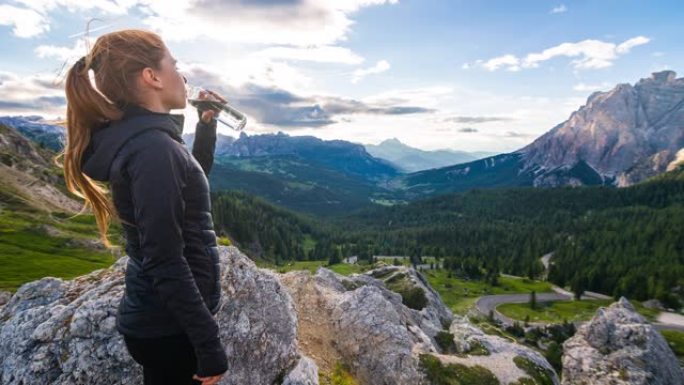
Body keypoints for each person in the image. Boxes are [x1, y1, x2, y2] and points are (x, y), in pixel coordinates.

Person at [59, 28, 229, 385]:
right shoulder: (153, 149)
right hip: (169, 329)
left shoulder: (148, 141)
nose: (182, 77)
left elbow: (187, 184)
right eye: (175, 65)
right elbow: (164, 257)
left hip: (160, 320)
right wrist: (209, 345)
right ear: (151, 77)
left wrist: (206, 127)